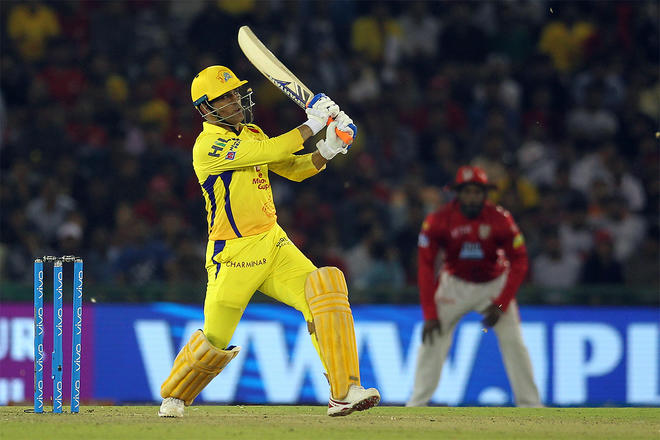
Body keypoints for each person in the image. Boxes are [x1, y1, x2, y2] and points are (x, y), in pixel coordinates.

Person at [157, 65, 379, 417]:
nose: (235, 100)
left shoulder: (252, 132)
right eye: (225, 97)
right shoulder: (207, 146)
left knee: (326, 288)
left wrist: (329, 148)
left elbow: (293, 168)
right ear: (206, 108)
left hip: (274, 243)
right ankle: (174, 396)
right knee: (215, 339)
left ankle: (344, 392)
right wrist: (313, 124)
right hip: (234, 254)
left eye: (235, 93)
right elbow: (271, 152)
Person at [407, 165, 541, 407]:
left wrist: (500, 304)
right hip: (454, 284)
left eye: (477, 192)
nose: (472, 197)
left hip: (494, 284)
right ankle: (416, 404)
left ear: (485, 194)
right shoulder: (438, 221)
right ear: (458, 193)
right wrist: (430, 314)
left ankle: (531, 405)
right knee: (432, 340)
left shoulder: (501, 219)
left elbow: (520, 261)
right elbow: (425, 266)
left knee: (514, 343)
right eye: (467, 191)